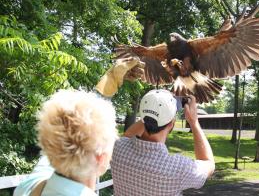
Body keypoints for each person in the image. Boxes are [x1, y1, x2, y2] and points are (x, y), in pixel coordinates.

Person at [14, 57, 145, 196]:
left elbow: (60, 142)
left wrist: (111, 78)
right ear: (101, 159)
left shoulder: (28, 187)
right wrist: (111, 77)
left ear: (49, 146)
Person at [111, 89, 215, 196]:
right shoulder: (179, 169)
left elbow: (128, 134)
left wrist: (152, 109)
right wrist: (194, 122)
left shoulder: (118, 148)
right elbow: (209, 164)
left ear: (142, 116)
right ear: (172, 124)